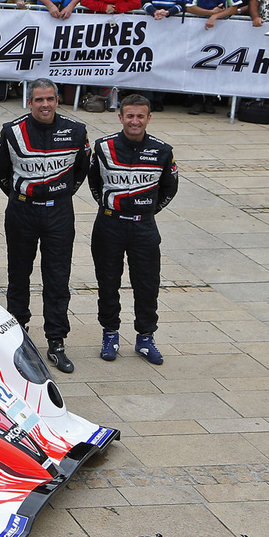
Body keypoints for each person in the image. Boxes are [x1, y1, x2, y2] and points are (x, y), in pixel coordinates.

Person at [0, 79, 89, 373]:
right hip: (22, 211)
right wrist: (26, 196)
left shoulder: (76, 131)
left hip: (59, 212)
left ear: (57, 100)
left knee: (57, 277)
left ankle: (56, 341)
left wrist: (57, 194)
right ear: (29, 102)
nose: (44, 104)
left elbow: (81, 171)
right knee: (18, 273)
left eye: (49, 99)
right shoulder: (11, 132)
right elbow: (0, 172)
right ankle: (17, 334)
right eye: (38, 100)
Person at [89, 94, 178, 367]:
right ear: (120, 117)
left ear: (149, 118)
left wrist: (147, 211)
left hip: (144, 227)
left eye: (140, 116)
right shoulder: (103, 148)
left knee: (147, 284)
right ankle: (110, 334)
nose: (135, 121)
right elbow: (94, 184)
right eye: (130, 116)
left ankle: (146, 337)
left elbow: (169, 188)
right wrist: (113, 208)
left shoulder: (162, 150)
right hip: (109, 225)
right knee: (107, 282)